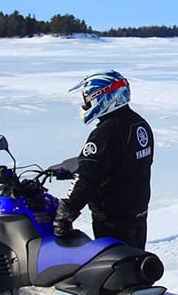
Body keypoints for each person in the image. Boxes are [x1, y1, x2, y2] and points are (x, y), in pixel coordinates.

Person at [54, 69, 154, 248]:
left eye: (87, 99)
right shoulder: (139, 124)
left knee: (116, 271)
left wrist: (65, 213)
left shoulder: (106, 133)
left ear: (102, 96)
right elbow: (123, 164)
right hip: (137, 214)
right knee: (133, 267)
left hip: (113, 220)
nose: (85, 104)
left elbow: (87, 177)